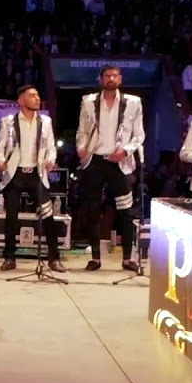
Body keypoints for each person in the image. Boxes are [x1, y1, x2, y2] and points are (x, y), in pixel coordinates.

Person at [76, 66, 145, 272]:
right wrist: (81, 146)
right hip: (95, 160)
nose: (111, 79)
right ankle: (95, 257)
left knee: (125, 210)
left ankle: (127, 258)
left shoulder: (133, 102)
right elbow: (83, 128)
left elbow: (139, 135)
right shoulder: (88, 101)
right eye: (107, 76)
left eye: (114, 76)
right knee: (93, 208)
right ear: (101, 80)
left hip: (119, 161)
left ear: (120, 79)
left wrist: (125, 151)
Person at [0, 86, 65, 272]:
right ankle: (9, 257)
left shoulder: (45, 122)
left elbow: (51, 147)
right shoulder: (8, 122)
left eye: (38, 95)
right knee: (11, 217)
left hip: (36, 172)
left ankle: (53, 257)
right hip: (15, 172)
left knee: (48, 215)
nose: (37, 98)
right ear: (21, 101)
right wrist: (0, 162)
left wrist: (50, 160)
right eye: (32, 95)